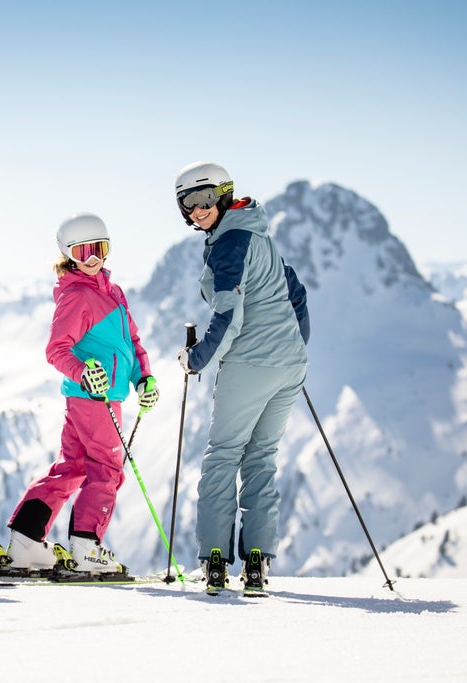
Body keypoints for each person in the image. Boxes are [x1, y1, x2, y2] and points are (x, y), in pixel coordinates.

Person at [173, 161, 309, 594]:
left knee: (222, 456)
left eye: (204, 199)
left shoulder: (230, 242)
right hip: (289, 365)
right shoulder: (259, 234)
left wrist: (197, 359)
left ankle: (215, 559)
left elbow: (228, 314)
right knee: (261, 458)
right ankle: (257, 561)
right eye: (187, 203)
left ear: (224, 195)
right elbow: (296, 294)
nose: (197, 210)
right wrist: (291, 347)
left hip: (250, 364)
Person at [4, 212, 159, 575]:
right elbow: (57, 349)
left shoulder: (114, 293)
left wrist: (144, 379)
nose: (92, 258)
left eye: (99, 249)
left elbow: (132, 344)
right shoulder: (77, 296)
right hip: (94, 396)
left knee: (72, 467)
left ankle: (25, 541)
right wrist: (85, 373)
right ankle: (87, 546)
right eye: (82, 251)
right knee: (106, 469)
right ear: (68, 254)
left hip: (98, 397)